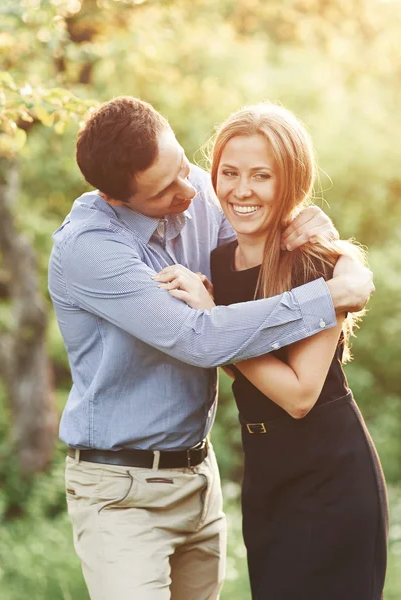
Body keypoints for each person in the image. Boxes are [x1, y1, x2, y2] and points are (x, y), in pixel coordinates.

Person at [48, 96, 375, 600]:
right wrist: (329, 296)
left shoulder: (201, 190)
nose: (192, 189)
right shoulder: (90, 247)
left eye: (183, 165)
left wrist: (335, 248)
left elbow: (268, 245)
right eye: (164, 190)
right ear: (117, 198)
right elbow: (201, 337)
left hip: (202, 480)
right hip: (123, 491)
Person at [156, 103, 387, 599]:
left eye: (262, 176)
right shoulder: (219, 259)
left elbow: (299, 394)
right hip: (266, 473)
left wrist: (213, 322)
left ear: (291, 182)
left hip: (331, 477)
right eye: (229, 173)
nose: (242, 190)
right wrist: (212, 321)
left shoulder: (313, 262)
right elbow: (252, 374)